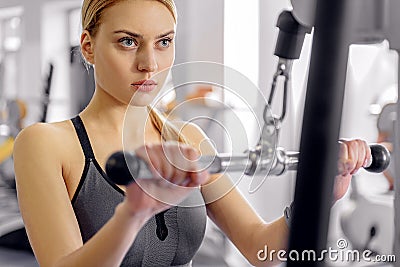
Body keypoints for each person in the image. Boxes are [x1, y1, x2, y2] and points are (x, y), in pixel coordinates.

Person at [13, 0, 372, 266]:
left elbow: (260, 249)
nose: (149, 63)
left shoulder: (188, 140)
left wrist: (319, 195)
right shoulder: (46, 144)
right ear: (88, 46)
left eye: (163, 42)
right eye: (127, 41)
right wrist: (132, 214)